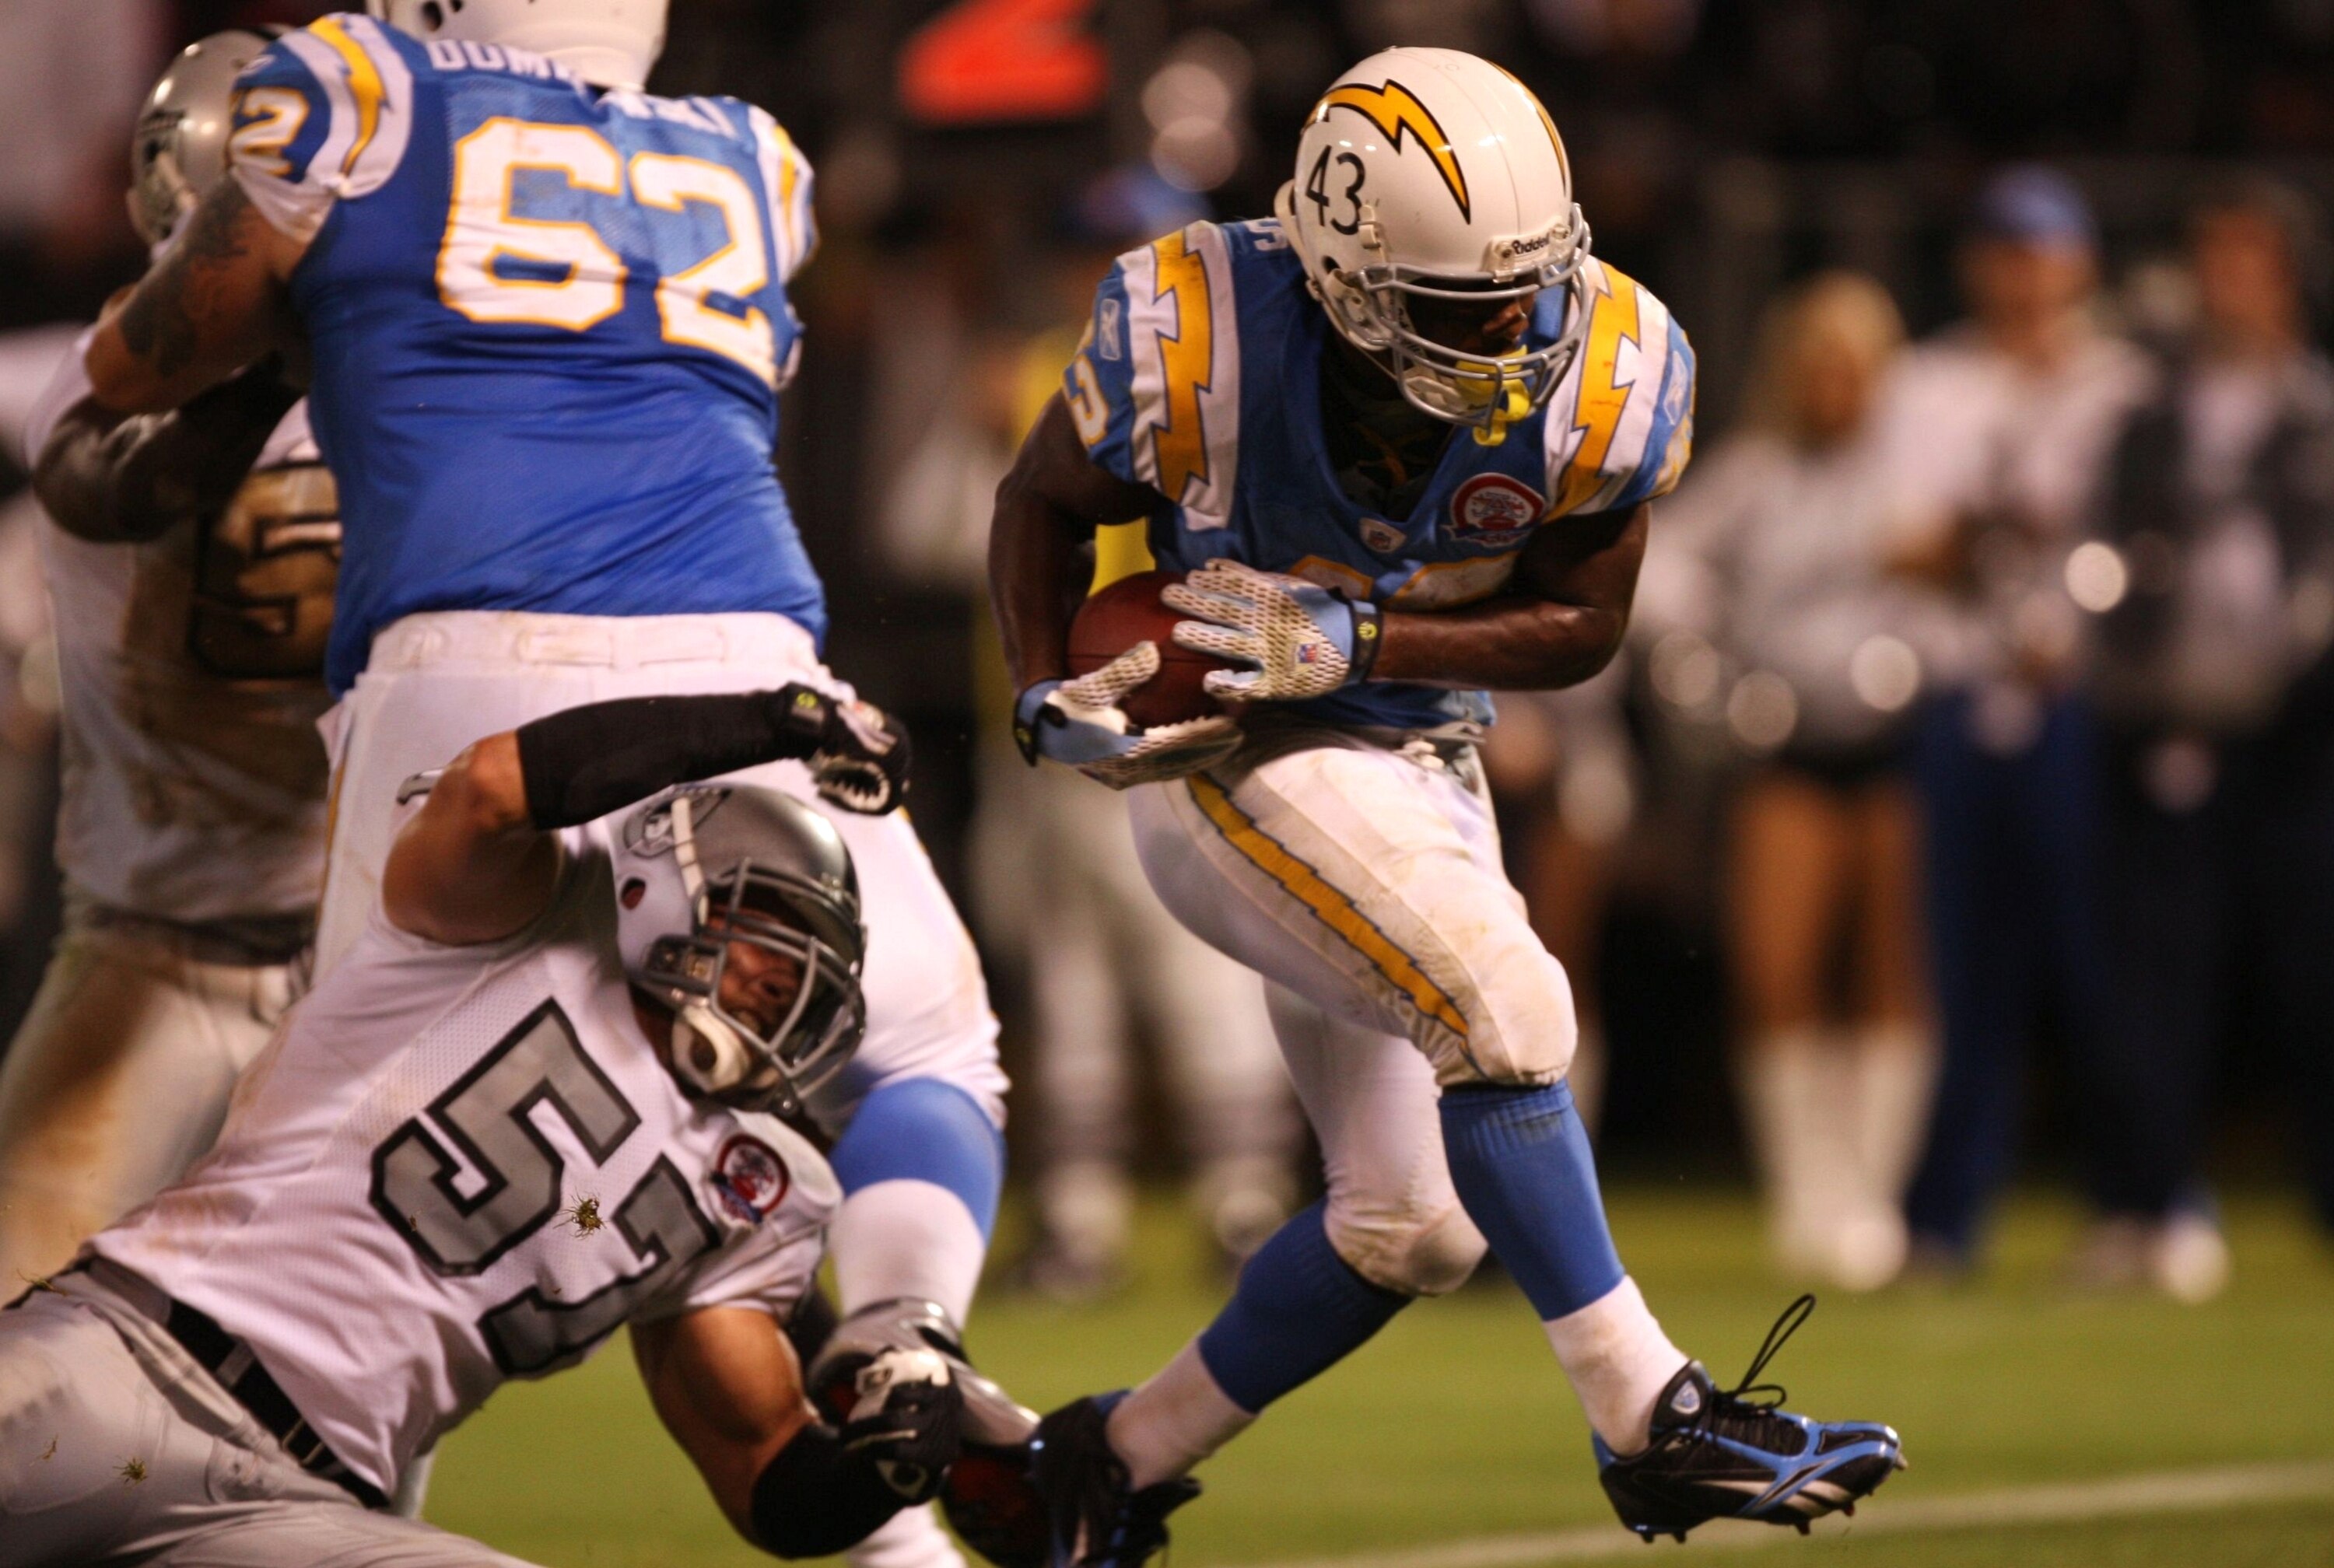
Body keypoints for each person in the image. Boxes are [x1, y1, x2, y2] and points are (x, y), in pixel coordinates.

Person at [76, 9, 1012, 1563]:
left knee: (374, 1190)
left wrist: (273, 309)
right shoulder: (754, 158)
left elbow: (139, 363)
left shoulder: (343, 90)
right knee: (896, 1061)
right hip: (742, 660)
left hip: (469, 664)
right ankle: (901, 1333)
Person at [983, 47, 1903, 1563]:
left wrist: (1364, 640)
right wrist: (1039, 682)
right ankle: (1652, 1419)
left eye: (1537, 285)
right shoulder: (1199, 328)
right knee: (1510, 1008)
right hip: (1228, 751)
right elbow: (1040, 500)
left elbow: (1585, 622)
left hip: (1415, 746)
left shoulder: (1603, 360)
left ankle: (1105, 1467)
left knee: (1412, 1227)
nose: (1522, 331)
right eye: (1473, 305)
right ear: (1348, 279)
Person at [0, 688, 992, 1568]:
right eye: (767, 921)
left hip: (295, 1507)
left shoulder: (754, 1192)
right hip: (124, 1366)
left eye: (809, 957)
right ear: (665, 889)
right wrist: (768, 723)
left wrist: (887, 1462)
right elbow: (490, 787)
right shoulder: (503, 927)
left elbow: (762, 1467)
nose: (787, 977)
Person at [1, 28, 331, 1292]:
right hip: (158, 945)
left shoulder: (400, 379)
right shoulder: (95, 385)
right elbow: (122, 478)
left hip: (355, 972)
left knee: (342, 1420)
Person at [1638, 272, 1937, 1290]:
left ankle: (1872, 1199)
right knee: (1778, 971)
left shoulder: (1915, 475)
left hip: (1902, 744)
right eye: (1817, 365)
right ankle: (1806, 1193)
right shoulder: (1755, 474)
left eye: (1852, 367)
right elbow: (1664, 573)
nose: (1833, 387)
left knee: (1893, 972)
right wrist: (1710, 681)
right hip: (1791, 752)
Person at [1878, 166, 2152, 1273]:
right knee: (1965, 973)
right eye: (2005, 249)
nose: (2024, 273)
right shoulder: (1930, 382)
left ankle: (2140, 1201)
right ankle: (1944, 1219)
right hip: (1960, 692)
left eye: (2042, 250)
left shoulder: (2126, 386)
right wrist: (1991, 535)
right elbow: (1903, 541)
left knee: (2101, 964)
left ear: (2079, 261)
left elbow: (2154, 545)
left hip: (2085, 703)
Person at [2083, 178, 2334, 1293]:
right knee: (2156, 976)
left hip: (2303, 730)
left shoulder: (2317, 408)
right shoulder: (2146, 411)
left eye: (2249, 260)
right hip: (2170, 724)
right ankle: (2151, 1205)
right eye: (2213, 259)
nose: (2227, 283)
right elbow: (2103, 555)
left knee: (2314, 976)